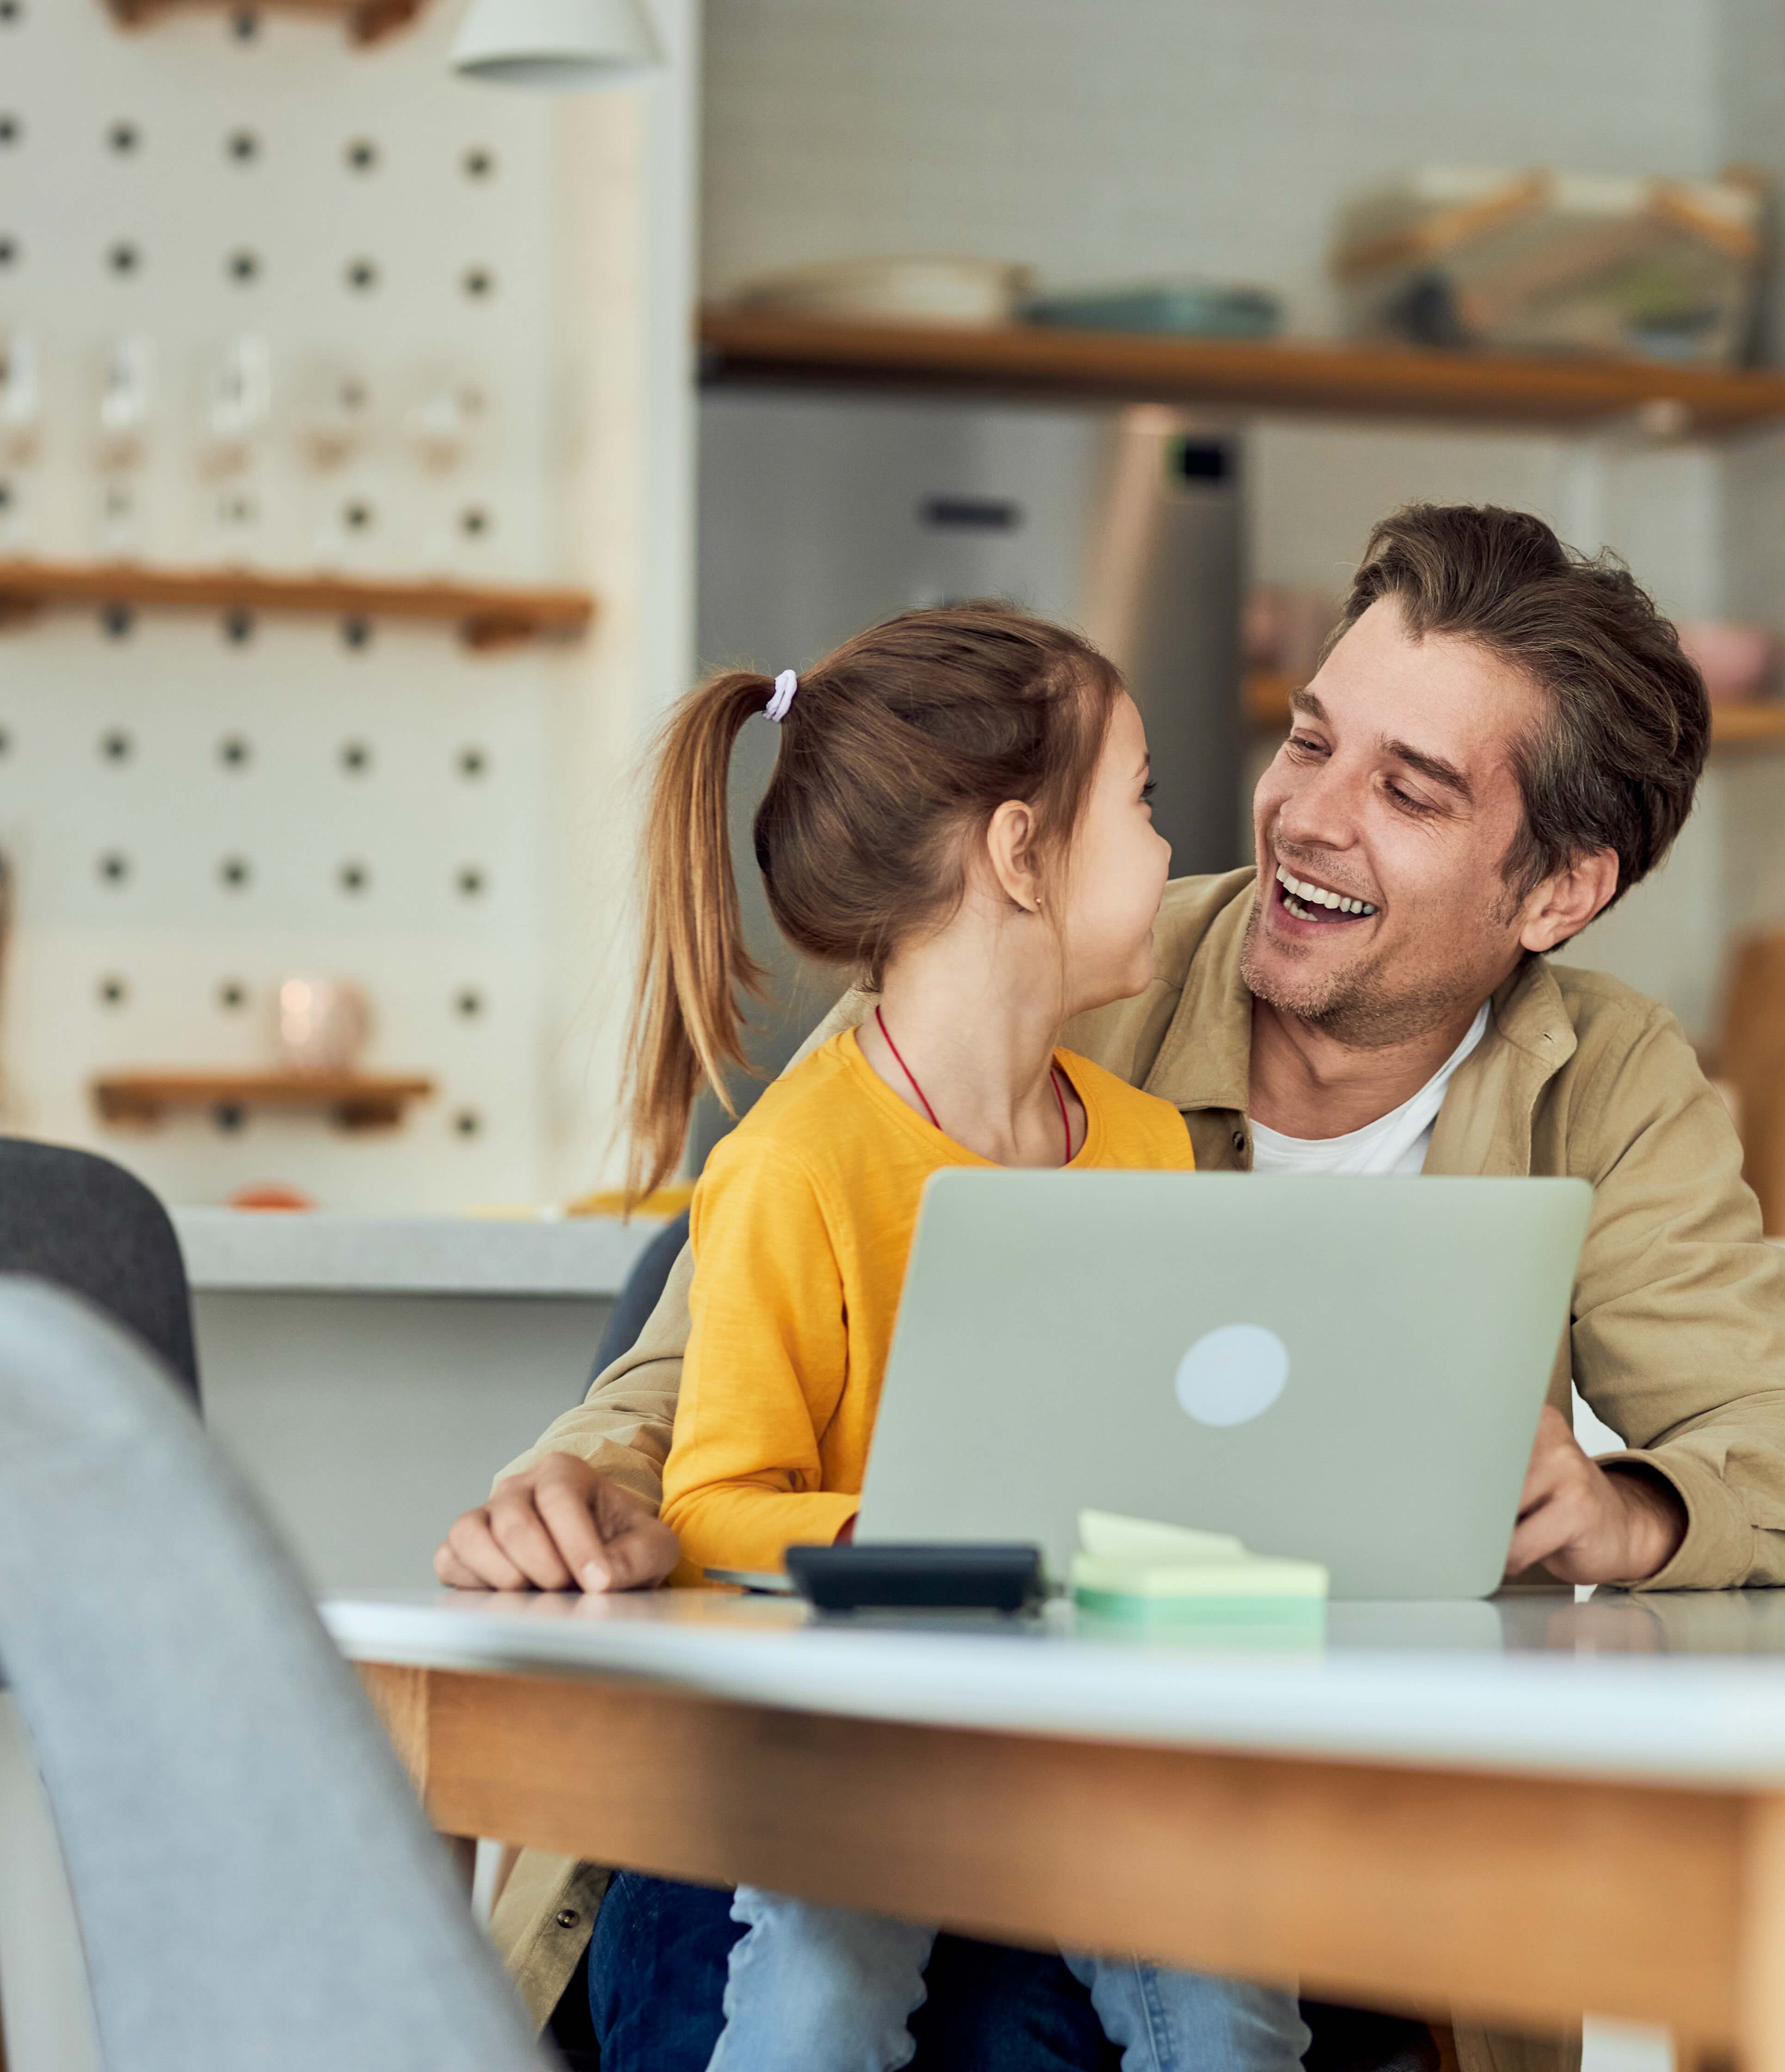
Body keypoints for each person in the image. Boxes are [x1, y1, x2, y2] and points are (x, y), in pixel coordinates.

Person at [436, 506, 1785, 2072]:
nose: (1308, 818)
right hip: (874, 1799)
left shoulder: (1608, 1084)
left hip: (1250, 1827)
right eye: (1312, 741)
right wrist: (566, 1488)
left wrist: (1631, 1511)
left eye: (1406, 791)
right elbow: (685, 1376)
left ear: (1555, 894)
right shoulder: (1032, 960)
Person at [607, 604, 1310, 2072]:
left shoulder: (1145, 1147)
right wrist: (933, 1542)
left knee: (1237, 2006)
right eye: (1140, 803)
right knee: (817, 1991)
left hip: (1099, 1743)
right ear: (1018, 853)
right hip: (863, 1741)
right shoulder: (797, 1167)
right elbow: (708, 1503)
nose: (1174, 851)